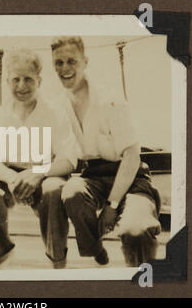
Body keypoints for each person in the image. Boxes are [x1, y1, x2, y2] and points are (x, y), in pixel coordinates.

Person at [50, 36, 161, 267]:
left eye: (71, 61)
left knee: (135, 230)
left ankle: (143, 278)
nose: (65, 68)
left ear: (85, 62)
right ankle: (95, 247)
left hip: (131, 177)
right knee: (72, 191)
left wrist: (111, 206)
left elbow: (131, 156)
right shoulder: (58, 106)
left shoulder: (110, 99)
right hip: (94, 177)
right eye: (58, 63)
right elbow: (63, 155)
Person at [0, 49, 79, 269]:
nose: (22, 86)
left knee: (54, 190)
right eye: (16, 79)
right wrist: (12, 178)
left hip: (44, 174)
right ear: (7, 81)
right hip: (8, 177)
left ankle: (57, 260)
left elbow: (69, 158)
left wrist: (37, 174)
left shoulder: (55, 113)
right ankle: (2, 254)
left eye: (28, 79)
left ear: (39, 80)